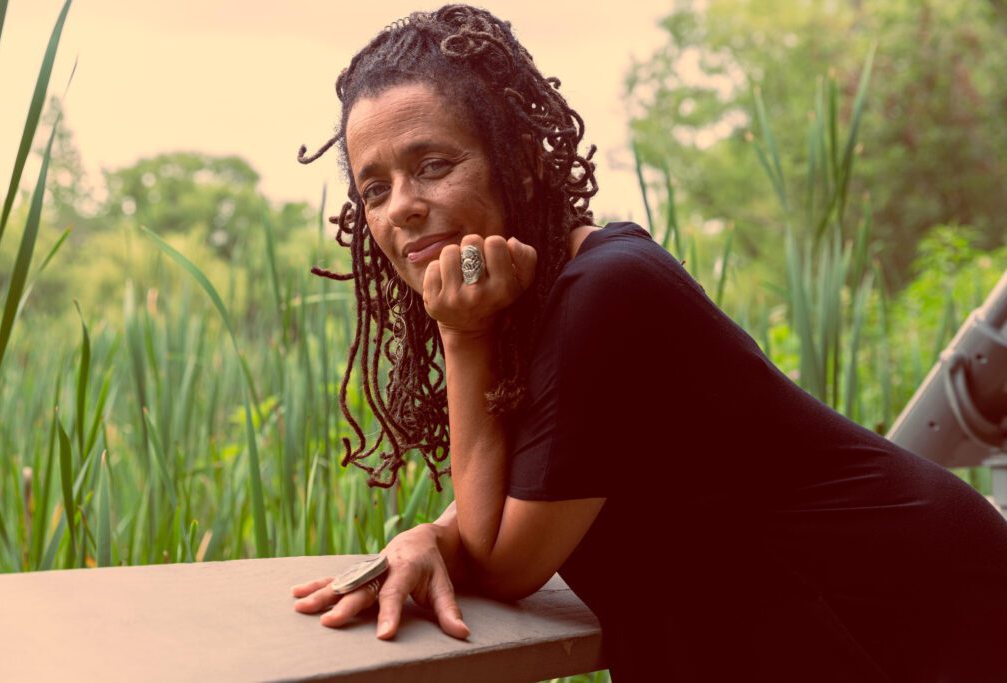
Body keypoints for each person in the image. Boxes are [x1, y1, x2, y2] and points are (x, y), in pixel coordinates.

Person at [288, 5, 1007, 681]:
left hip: (917, 617)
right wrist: (424, 536)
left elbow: (504, 563)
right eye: (374, 188)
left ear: (522, 159)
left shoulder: (607, 290)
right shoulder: (541, 300)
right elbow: (518, 496)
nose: (403, 205)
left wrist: (460, 332)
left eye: (434, 164)